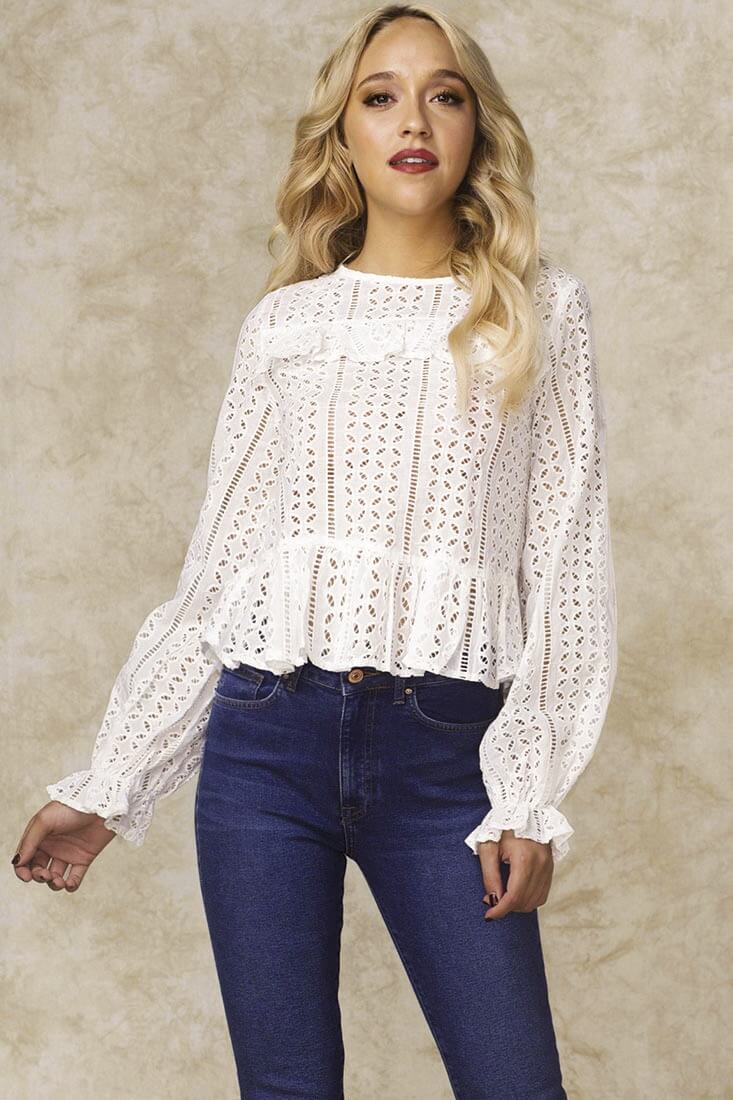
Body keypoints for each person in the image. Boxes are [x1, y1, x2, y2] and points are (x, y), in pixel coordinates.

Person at [12, 4, 617, 1097]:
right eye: (379, 98)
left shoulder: (539, 312)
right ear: (343, 134)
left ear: (477, 128)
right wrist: (112, 782)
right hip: (264, 748)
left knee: (513, 1082)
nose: (412, 121)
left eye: (443, 95)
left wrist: (525, 794)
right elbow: (220, 576)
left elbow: (565, 571)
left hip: (447, 757)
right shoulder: (285, 327)